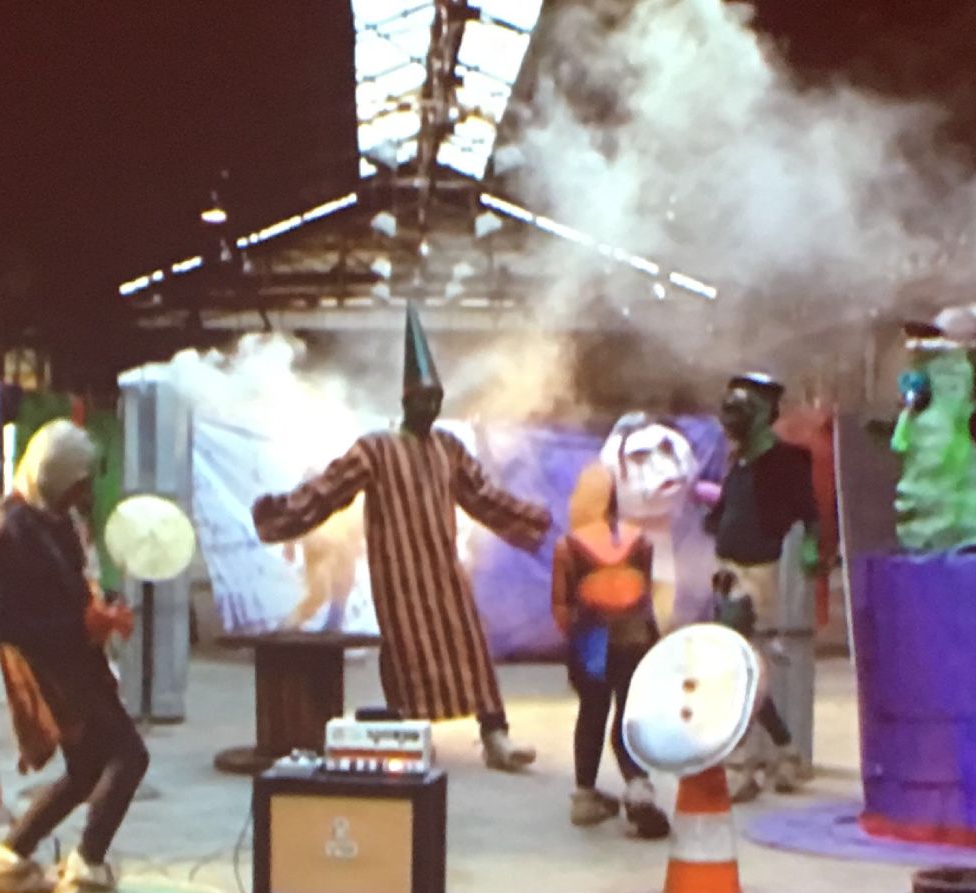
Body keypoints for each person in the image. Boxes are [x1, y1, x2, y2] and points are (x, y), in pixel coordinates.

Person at [251, 306, 550, 771]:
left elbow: (482, 495)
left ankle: (495, 736)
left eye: (437, 399)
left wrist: (532, 518)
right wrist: (281, 514)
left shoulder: (448, 448)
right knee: (409, 654)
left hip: (444, 570)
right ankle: (409, 738)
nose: (431, 408)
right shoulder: (376, 449)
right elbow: (328, 489)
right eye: (423, 399)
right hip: (400, 576)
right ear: (406, 401)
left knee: (470, 644)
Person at [0, 420, 158, 893]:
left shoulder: (54, 519)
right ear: (54, 477)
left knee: (86, 769)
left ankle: (8, 860)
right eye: (78, 482)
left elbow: (74, 585)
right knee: (128, 755)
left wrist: (104, 609)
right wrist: (82, 625)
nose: (84, 493)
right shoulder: (3, 532)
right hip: (51, 666)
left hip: (76, 656)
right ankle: (85, 876)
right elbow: (6, 622)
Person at [705, 372, 818, 801]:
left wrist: (812, 548)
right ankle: (784, 752)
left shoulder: (786, 461)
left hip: (758, 573)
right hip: (728, 570)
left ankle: (744, 762)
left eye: (743, 407)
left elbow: (809, 513)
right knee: (742, 666)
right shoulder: (739, 462)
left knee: (735, 665)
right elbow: (725, 512)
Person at [551, 464, 670, 839]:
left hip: (591, 643)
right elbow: (646, 596)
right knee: (628, 715)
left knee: (592, 713)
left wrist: (575, 640)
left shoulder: (568, 547)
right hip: (636, 639)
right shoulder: (640, 541)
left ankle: (585, 796)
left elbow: (561, 606)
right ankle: (638, 786)